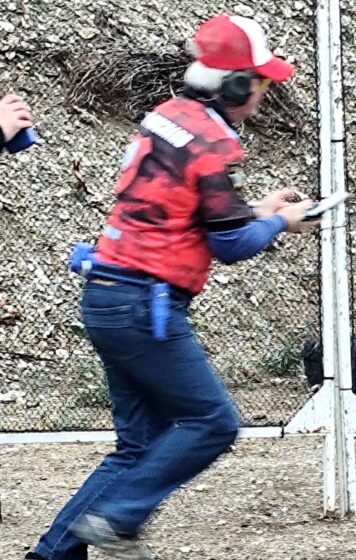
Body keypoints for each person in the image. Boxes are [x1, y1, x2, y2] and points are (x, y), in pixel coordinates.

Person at [26, 14, 319, 560]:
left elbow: (194, 220)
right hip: (143, 304)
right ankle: (116, 520)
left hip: (109, 294)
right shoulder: (211, 143)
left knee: (137, 449)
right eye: (258, 82)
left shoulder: (167, 118)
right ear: (234, 86)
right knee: (213, 422)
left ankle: (52, 555)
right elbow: (231, 245)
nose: (261, 92)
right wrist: (280, 222)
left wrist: (260, 212)